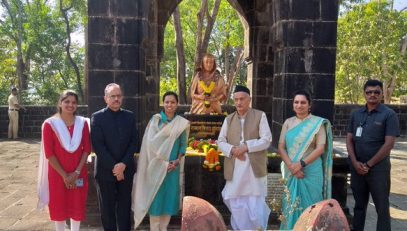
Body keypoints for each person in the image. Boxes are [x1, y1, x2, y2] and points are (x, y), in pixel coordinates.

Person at [346, 79, 400, 231]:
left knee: (382, 207)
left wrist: (369, 164)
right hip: (357, 169)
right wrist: (355, 162)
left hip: (378, 169)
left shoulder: (389, 115)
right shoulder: (356, 114)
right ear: (364, 94)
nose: (372, 95)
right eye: (369, 92)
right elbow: (349, 139)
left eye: (376, 92)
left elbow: (389, 144)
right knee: (359, 206)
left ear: (382, 94)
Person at [217, 85, 272, 230]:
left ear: (249, 100)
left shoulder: (260, 115)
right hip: (235, 167)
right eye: (236, 99)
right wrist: (233, 150)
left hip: (254, 168)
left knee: (255, 204)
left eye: (242, 99)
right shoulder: (228, 119)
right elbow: (220, 141)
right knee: (235, 202)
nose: (239, 102)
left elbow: (266, 139)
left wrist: (246, 147)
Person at [132, 91, 190, 231]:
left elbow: (183, 145)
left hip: (172, 169)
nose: (169, 105)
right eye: (167, 102)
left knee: (169, 202)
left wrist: (176, 161)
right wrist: (162, 164)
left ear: (177, 105)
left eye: (172, 102)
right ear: (163, 104)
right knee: (156, 201)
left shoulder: (181, 123)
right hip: (156, 167)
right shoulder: (155, 121)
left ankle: (163, 229)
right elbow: (149, 144)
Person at [278, 90, 333, 230]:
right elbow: (281, 147)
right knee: (290, 205)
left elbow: (320, 148)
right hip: (291, 171)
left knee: (311, 205)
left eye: (303, 102)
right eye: (296, 102)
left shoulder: (318, 123)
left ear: (309, 105)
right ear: (292, 105)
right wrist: (292, 166)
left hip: (311, 170)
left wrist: (301, 164)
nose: (299, 105)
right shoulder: (288, 123)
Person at [37, 90, 90, 231]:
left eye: (74, 102)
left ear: (77, 105)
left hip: (78, 173)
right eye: (67, 101)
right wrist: (65, 176)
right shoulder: (50, 124)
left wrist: (76, 173)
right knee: (59, 205)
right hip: (57, 174)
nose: (70, 105)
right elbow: (49, 153)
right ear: (60, 103)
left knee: (77, 204)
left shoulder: (82, 123)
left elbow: (86, 149)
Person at [91, 83, 138, 231]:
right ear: (105, 98)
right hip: (105, 172)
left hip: (126, 171)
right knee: (107, 210)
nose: (116, 99)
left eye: (118, 96)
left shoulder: (129, 116)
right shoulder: (97, 117)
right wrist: (115, 167)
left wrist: (123, 165)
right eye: (112, 96)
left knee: (124, 209)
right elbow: (98, 146)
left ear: (122, 98)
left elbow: (134, 142)